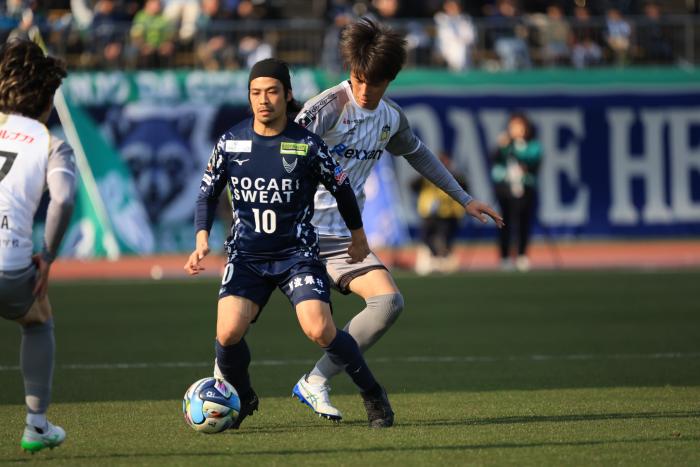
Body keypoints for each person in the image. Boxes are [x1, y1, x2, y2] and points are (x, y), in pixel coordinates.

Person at [291, 17, 503, 422]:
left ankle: (315, 380)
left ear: (390, 79)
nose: (365, 90)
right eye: (359, 80)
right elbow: (282, 151)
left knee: (388, 302)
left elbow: (418, 154)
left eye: (375, 83)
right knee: (241, 313)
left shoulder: (390, 118)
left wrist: (464, 199)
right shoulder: (327, 107)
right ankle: (223, 382)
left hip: (342, 238)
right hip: (295, 233)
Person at [187, 58, 394, 429]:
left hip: (296, 255)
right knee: (227, 333)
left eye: (271, 92)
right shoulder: (231, 141)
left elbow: (342, 188)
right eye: (255, 93)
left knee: (319, 329)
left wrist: (359, 236)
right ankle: (243, 395)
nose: (263, 100)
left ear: (287, 95)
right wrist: (202, 236)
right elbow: (207, 193)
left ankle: (373, 394)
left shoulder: (306, 144)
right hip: (246, 257)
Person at [0, 39, 76, 453]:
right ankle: (36, 425)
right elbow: (63, 199)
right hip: (11, 266)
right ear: (47, 100)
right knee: (37, 318)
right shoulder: (50, 144)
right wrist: (46, 257)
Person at [490, 112, 542, 272]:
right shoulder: (505, 144)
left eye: (519, 126)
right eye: (513, 126)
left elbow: (534, 163)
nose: (516, 129)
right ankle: (505, 256)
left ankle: (521, 254)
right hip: (505, 188)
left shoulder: (533, 145)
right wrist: (502, 146)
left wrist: (518, 153)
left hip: (525, 187)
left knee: (523, 221)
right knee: (503, 221)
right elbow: (494, 158)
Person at [411, 152, 467, 275]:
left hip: (448, 213)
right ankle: (434, 260)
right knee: (426, 237)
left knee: (445, 238)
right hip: (429, 213)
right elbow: (412, 186)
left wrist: (451, 173)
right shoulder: (426, 174)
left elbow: (464, 186)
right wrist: (425, 172)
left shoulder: (453, 176)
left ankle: (444, 261)